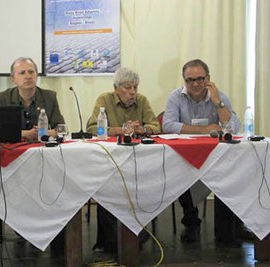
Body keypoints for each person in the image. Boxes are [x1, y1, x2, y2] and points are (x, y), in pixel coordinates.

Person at [162, 59, 241, 243]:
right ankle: (191, 222)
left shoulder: (219, 96)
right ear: (184, 80)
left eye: (200, 79)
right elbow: (167, 125)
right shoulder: (175, 97)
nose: (195, 84)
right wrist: (204, 130)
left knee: (231, 172)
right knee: (180, 171)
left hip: (216, 157)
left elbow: (234, 127)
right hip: (184, 157)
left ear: (208, 78)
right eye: (190, 80)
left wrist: (218, 103)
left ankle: (228, 229)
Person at [87, 67, 161, 253]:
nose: (133, 92)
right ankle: (112, 240)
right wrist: (121, 130)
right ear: (116, 88)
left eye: (135, 87)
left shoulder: (142, 101)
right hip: (109, 160)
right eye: (128, 88)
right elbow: (92, 128)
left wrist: (142, 130)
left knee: (143, 186)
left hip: (138, 160)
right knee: (107, 188)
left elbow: (156, 126)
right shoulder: (104, 100)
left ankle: (134, 233)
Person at [0, 57, 65, 141]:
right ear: (13, 79)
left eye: (31, 72)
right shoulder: (3, 98)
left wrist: (45, 132)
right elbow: (0, 131)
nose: (28, 76)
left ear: (37, 75)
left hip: (43, 149)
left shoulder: (49, 96)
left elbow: (61, 128)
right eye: (22, 73)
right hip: (15, 151)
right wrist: (24, 134)